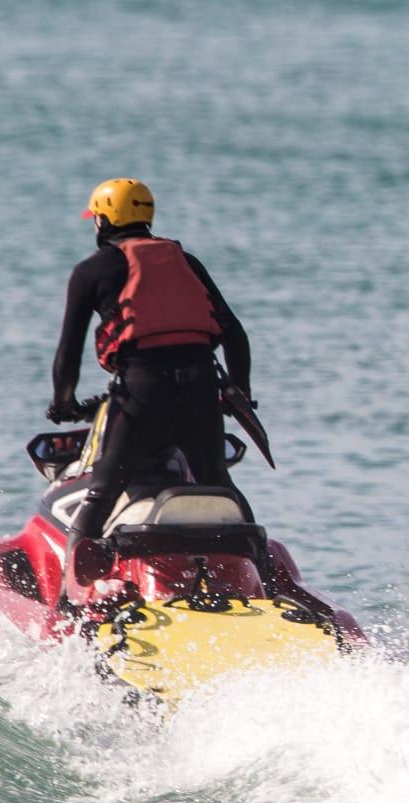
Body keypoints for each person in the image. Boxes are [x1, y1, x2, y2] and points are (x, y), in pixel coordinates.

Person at [47, 177, 253, 608]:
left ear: (103, 221)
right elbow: (234, 333)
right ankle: (259, 581)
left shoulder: (91, 271)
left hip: (143, 391)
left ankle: (69, 601)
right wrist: (239, 390)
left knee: (101, 493)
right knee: (217, 483)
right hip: (200, 389)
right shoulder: (186, 261)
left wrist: (63, 403)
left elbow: (68, 352)